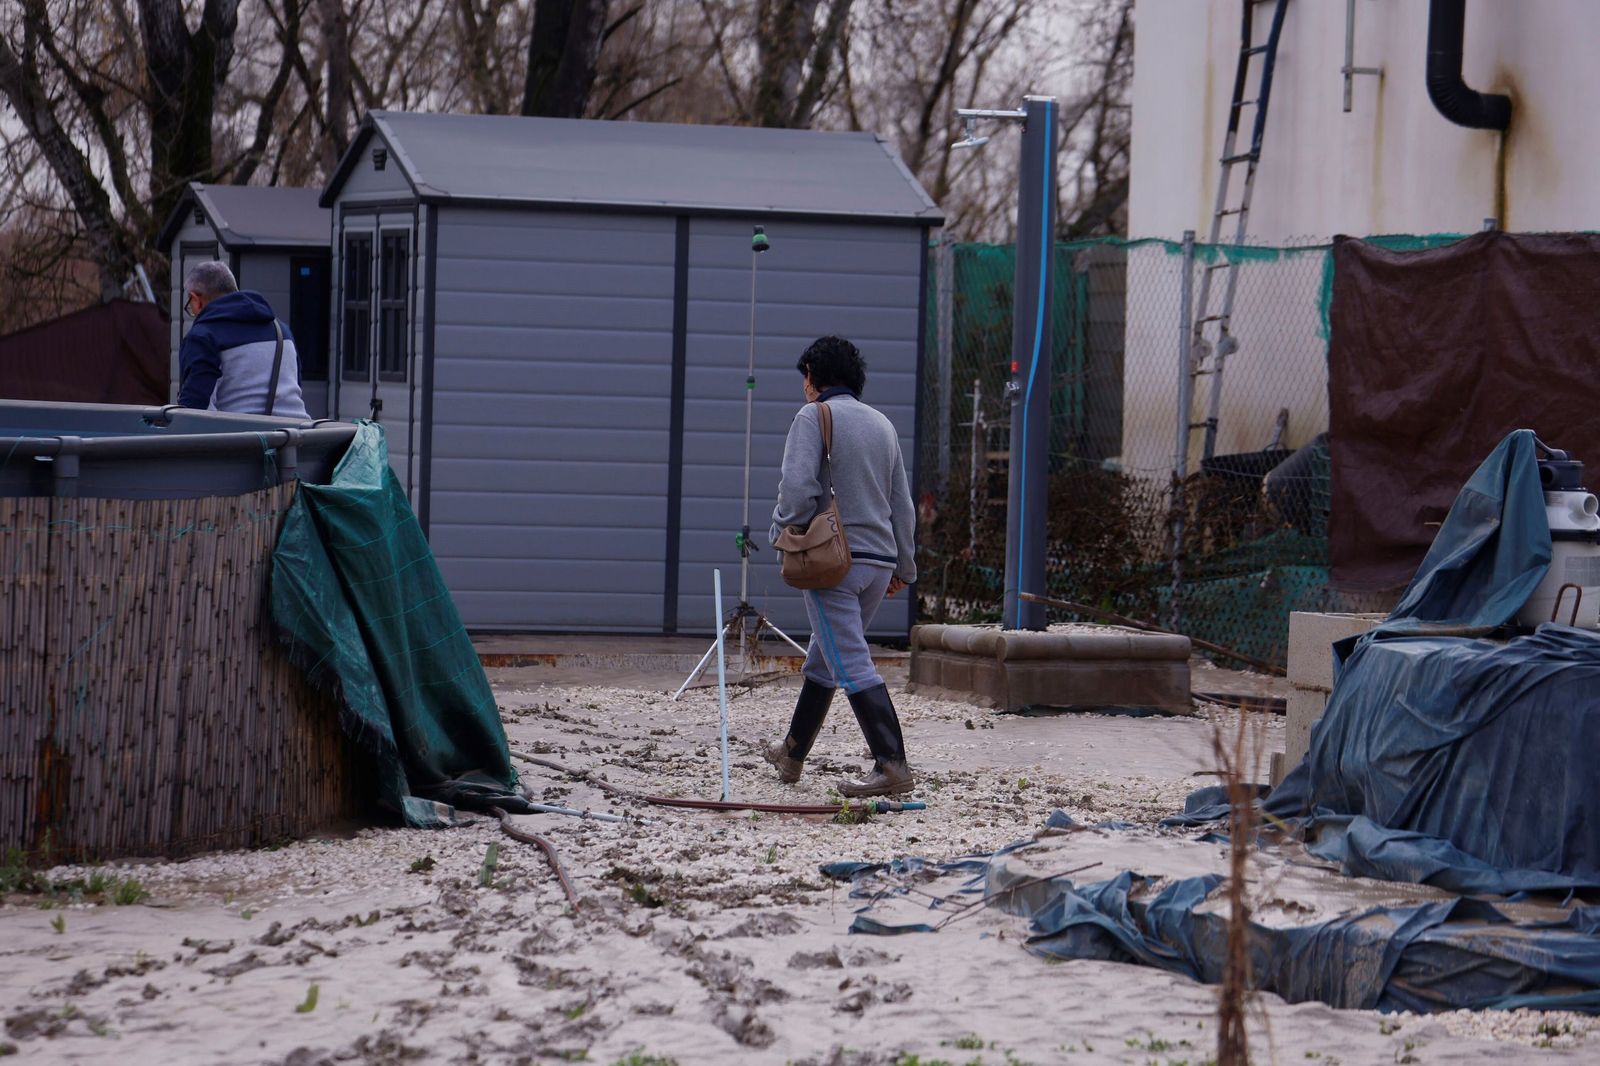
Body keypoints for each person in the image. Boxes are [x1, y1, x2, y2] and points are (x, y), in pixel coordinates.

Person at [764, 335, 918, 797]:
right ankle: (792, 753)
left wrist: (780, 531)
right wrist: (905, 566)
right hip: (879, 562)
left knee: (849, 661)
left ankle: (892, 764)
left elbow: (796, 489)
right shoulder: (882, 424)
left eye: (804, 377)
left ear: (813, 376)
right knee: (826, 656)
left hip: (835, 563)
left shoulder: (813, 416)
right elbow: (902, 505)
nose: (803, 387)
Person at [178, 261, 309, 418]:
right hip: (296, 429)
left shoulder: (203, 337)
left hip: (242, 432)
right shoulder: (282, 331)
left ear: (196, 299)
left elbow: (194, 409)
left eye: (191, 307)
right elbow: (296, 385)